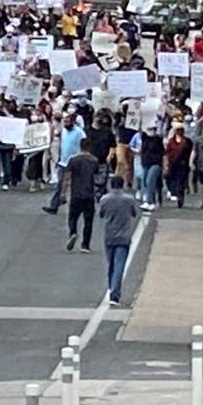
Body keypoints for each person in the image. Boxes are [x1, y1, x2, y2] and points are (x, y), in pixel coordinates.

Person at [98, 176, 139, 305]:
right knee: (119, 265)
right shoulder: (129, 199)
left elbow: (101, 214)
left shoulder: (105, 199)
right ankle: (115, 293)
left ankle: (112, 287)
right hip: (124, 236)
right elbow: (134, 213)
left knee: (110, 264)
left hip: (109, 235)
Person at [43, 112, 86, 214]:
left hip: (75, 162)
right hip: (63, 162)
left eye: (67, 121)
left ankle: (78, 206)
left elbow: (85, 144)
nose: (65, 123)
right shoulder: (64, 131)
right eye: (64, 121)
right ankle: (54, 206)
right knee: (60, 184)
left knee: (76, 186)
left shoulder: (79, 132)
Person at [62, 138, 100, 253]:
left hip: (76, 194)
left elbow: (67, 178)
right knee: (88, 221)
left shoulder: (73, 160)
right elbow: (97, 177)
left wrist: (63, 193)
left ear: (80, 146)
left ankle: (73, 232)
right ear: (89, 147)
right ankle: (85, 245)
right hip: (89, 194)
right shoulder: (94, 161)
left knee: (72, 217)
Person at [164, 122, 194, 208]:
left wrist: (190, 162)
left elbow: (191, 152)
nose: (179, 132)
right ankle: (174, 192)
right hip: (172, 164)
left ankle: (180, 198)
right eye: (178, 130)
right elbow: (167, 153)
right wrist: (166, 163)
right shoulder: (171, 141)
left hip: (183, 164)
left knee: (181, 181)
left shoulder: (188, 141)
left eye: (181, 130)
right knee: (171, 179)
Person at [139, 128, 165, 211]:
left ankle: (148, 201)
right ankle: (152, 201)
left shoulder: (158, 140)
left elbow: (162, 152)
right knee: (145, 180)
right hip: (145, 163)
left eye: (152, 130)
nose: (150, 132)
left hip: (156, 163)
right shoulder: (144, 138)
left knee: (150, 180)